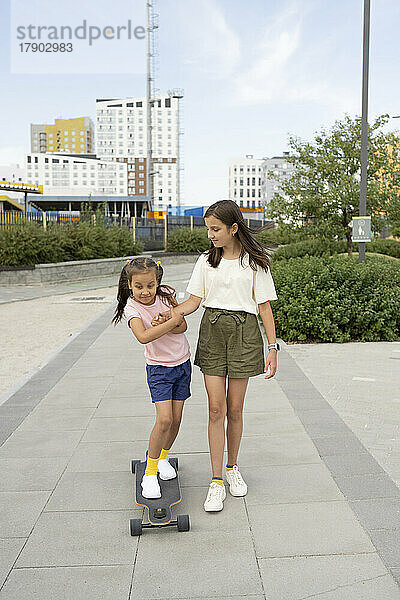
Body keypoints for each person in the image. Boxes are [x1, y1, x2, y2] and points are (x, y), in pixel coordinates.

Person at [156, 200, 278, 512]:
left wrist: (272, 347)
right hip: (212, 331)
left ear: (233, 228)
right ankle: (215, 482)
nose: (210, 234)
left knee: (235, 409)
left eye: (216, 229)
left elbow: (264, 306)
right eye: (208, 229)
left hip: (244, 333)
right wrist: (166, 316)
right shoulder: (205, 262)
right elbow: (193, 302)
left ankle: (232, 468)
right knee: (215, 408)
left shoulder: (255, 263)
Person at [112, 257, 191, 499]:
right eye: (139, 287)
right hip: (159, 370)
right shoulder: (132, 309)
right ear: (129, 285)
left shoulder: (166, 295)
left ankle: (164, 457)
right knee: (164, 420)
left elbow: (183, 326)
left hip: (182, 363)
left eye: (150, 285)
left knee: (176, 419)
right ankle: (150, 472)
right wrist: (169, 321)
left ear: (158, 282)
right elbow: (144, 337)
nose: (145, 292)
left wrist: (169, 320)